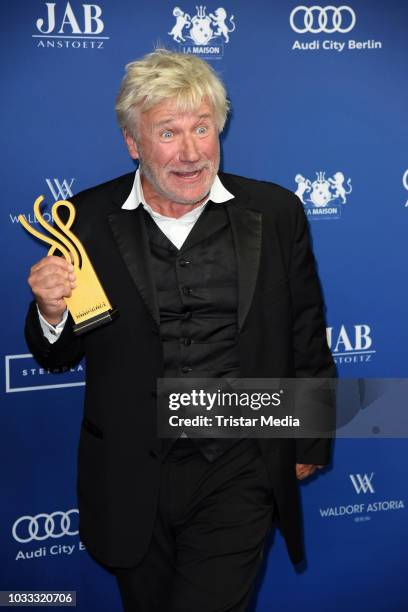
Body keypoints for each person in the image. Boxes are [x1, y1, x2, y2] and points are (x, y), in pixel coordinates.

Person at [25, 49, 335, 611]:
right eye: (169, 132)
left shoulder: (275, 211)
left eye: (203, 128)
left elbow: (305, 331)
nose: (192, 152)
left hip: (239, 462)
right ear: (133, 143)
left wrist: (309, 436)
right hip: (129, 470)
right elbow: (56, 355)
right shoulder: (84, 221)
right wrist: (50, 312)